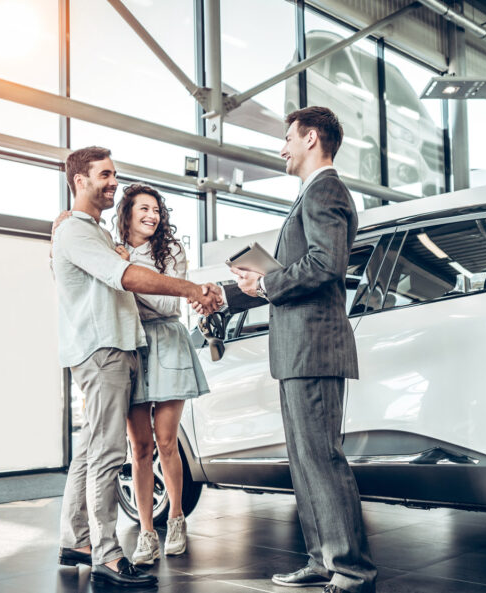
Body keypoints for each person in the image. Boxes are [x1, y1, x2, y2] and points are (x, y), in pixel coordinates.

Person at [193, 107, 376, 593]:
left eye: (287, 138)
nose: (282, 148)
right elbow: (297, 270)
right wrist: (239, 290)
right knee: (306, 461)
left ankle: (353, 570)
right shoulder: (312, 195)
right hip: (299, 350)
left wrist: (267, 280)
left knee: (322, 459)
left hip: (314, 348)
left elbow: (326, 264)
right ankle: (323, 560)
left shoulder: (326, 190)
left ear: (311, 138)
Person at [52, 146, 221, 588]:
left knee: (91, 450)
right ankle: (108, 555)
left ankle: (76, 540)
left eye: (114, 175)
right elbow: (124, 277)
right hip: (104, 350)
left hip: (116, 348)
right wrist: (189, 289)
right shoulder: (78, 232)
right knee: (110, 453)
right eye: (104, 175)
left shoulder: (90, 231)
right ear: (79, 181)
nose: (113, 182)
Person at [110, 183, 210, 566]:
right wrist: (122, 270)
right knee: (139, 448)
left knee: (167, 442)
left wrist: (130, 275)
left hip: (168, 341)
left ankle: (177, 519)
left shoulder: (171, 251)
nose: (151, 215)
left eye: (156, 209)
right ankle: (147, 533)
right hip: (131, 344)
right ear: (128, 214)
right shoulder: (115, 251)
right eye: (143, 209)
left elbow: (169, 301)